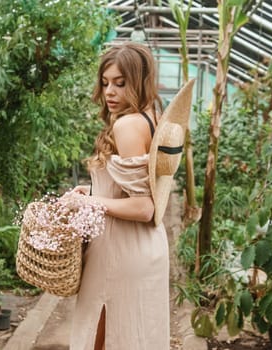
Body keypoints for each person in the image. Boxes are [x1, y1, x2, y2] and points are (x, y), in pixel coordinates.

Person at [67, 42, 170, 350]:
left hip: (120, 251)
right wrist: (95, 190)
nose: (110, 91)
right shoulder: (151, 115)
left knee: (107, 336)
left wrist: (87, 202)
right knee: (131, 334)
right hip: (144, 247)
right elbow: (135, 188)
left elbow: (143, 206)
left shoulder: (127, 125)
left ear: (138, 82)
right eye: (105, 82)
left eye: (120, 83)